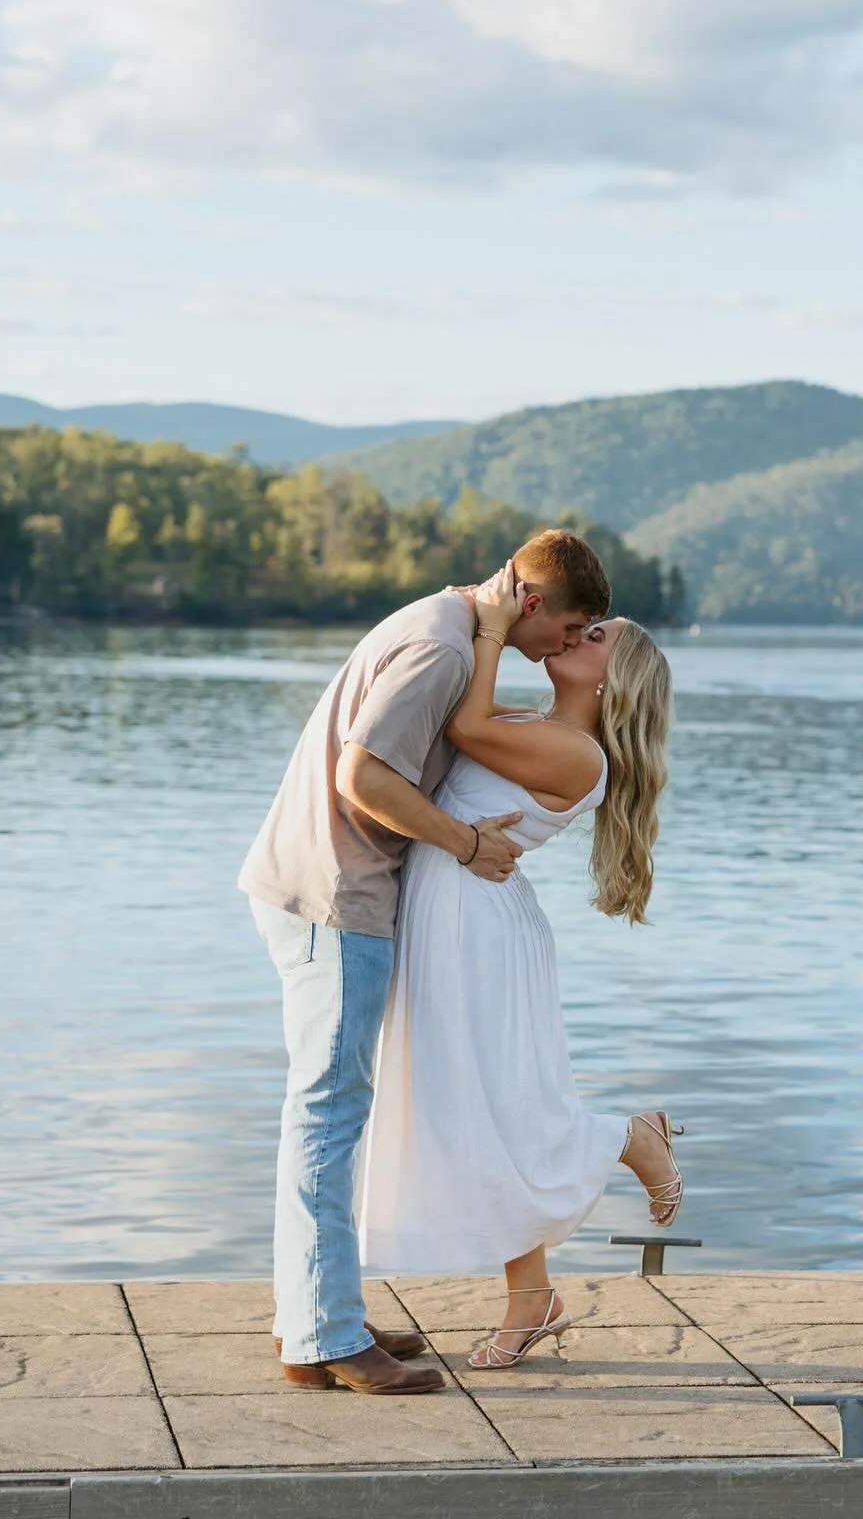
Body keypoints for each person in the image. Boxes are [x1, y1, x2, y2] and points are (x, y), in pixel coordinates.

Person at [239, 530, 612, 1393]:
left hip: (337, 886)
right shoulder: (446, 646)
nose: (562, 645)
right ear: (532, 602)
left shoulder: (449, 630)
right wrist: (468, 844)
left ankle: (320, 1311)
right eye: (569, 626)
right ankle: (324, 1337)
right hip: (339, 891)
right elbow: (362, 776)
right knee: (328, 1111)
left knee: (332, 1110)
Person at [358, 564, 678, 1369]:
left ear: (613, 680)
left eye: (592, 636)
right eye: (578, 626)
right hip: (454, 911)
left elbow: (462, 729)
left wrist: (495, 626)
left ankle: (626, 1140)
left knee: (492, 1107)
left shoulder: (577, 755)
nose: (575, 636)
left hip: (476, 925)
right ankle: (532, 1293)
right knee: (474, 1108)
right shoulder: (540, 721)